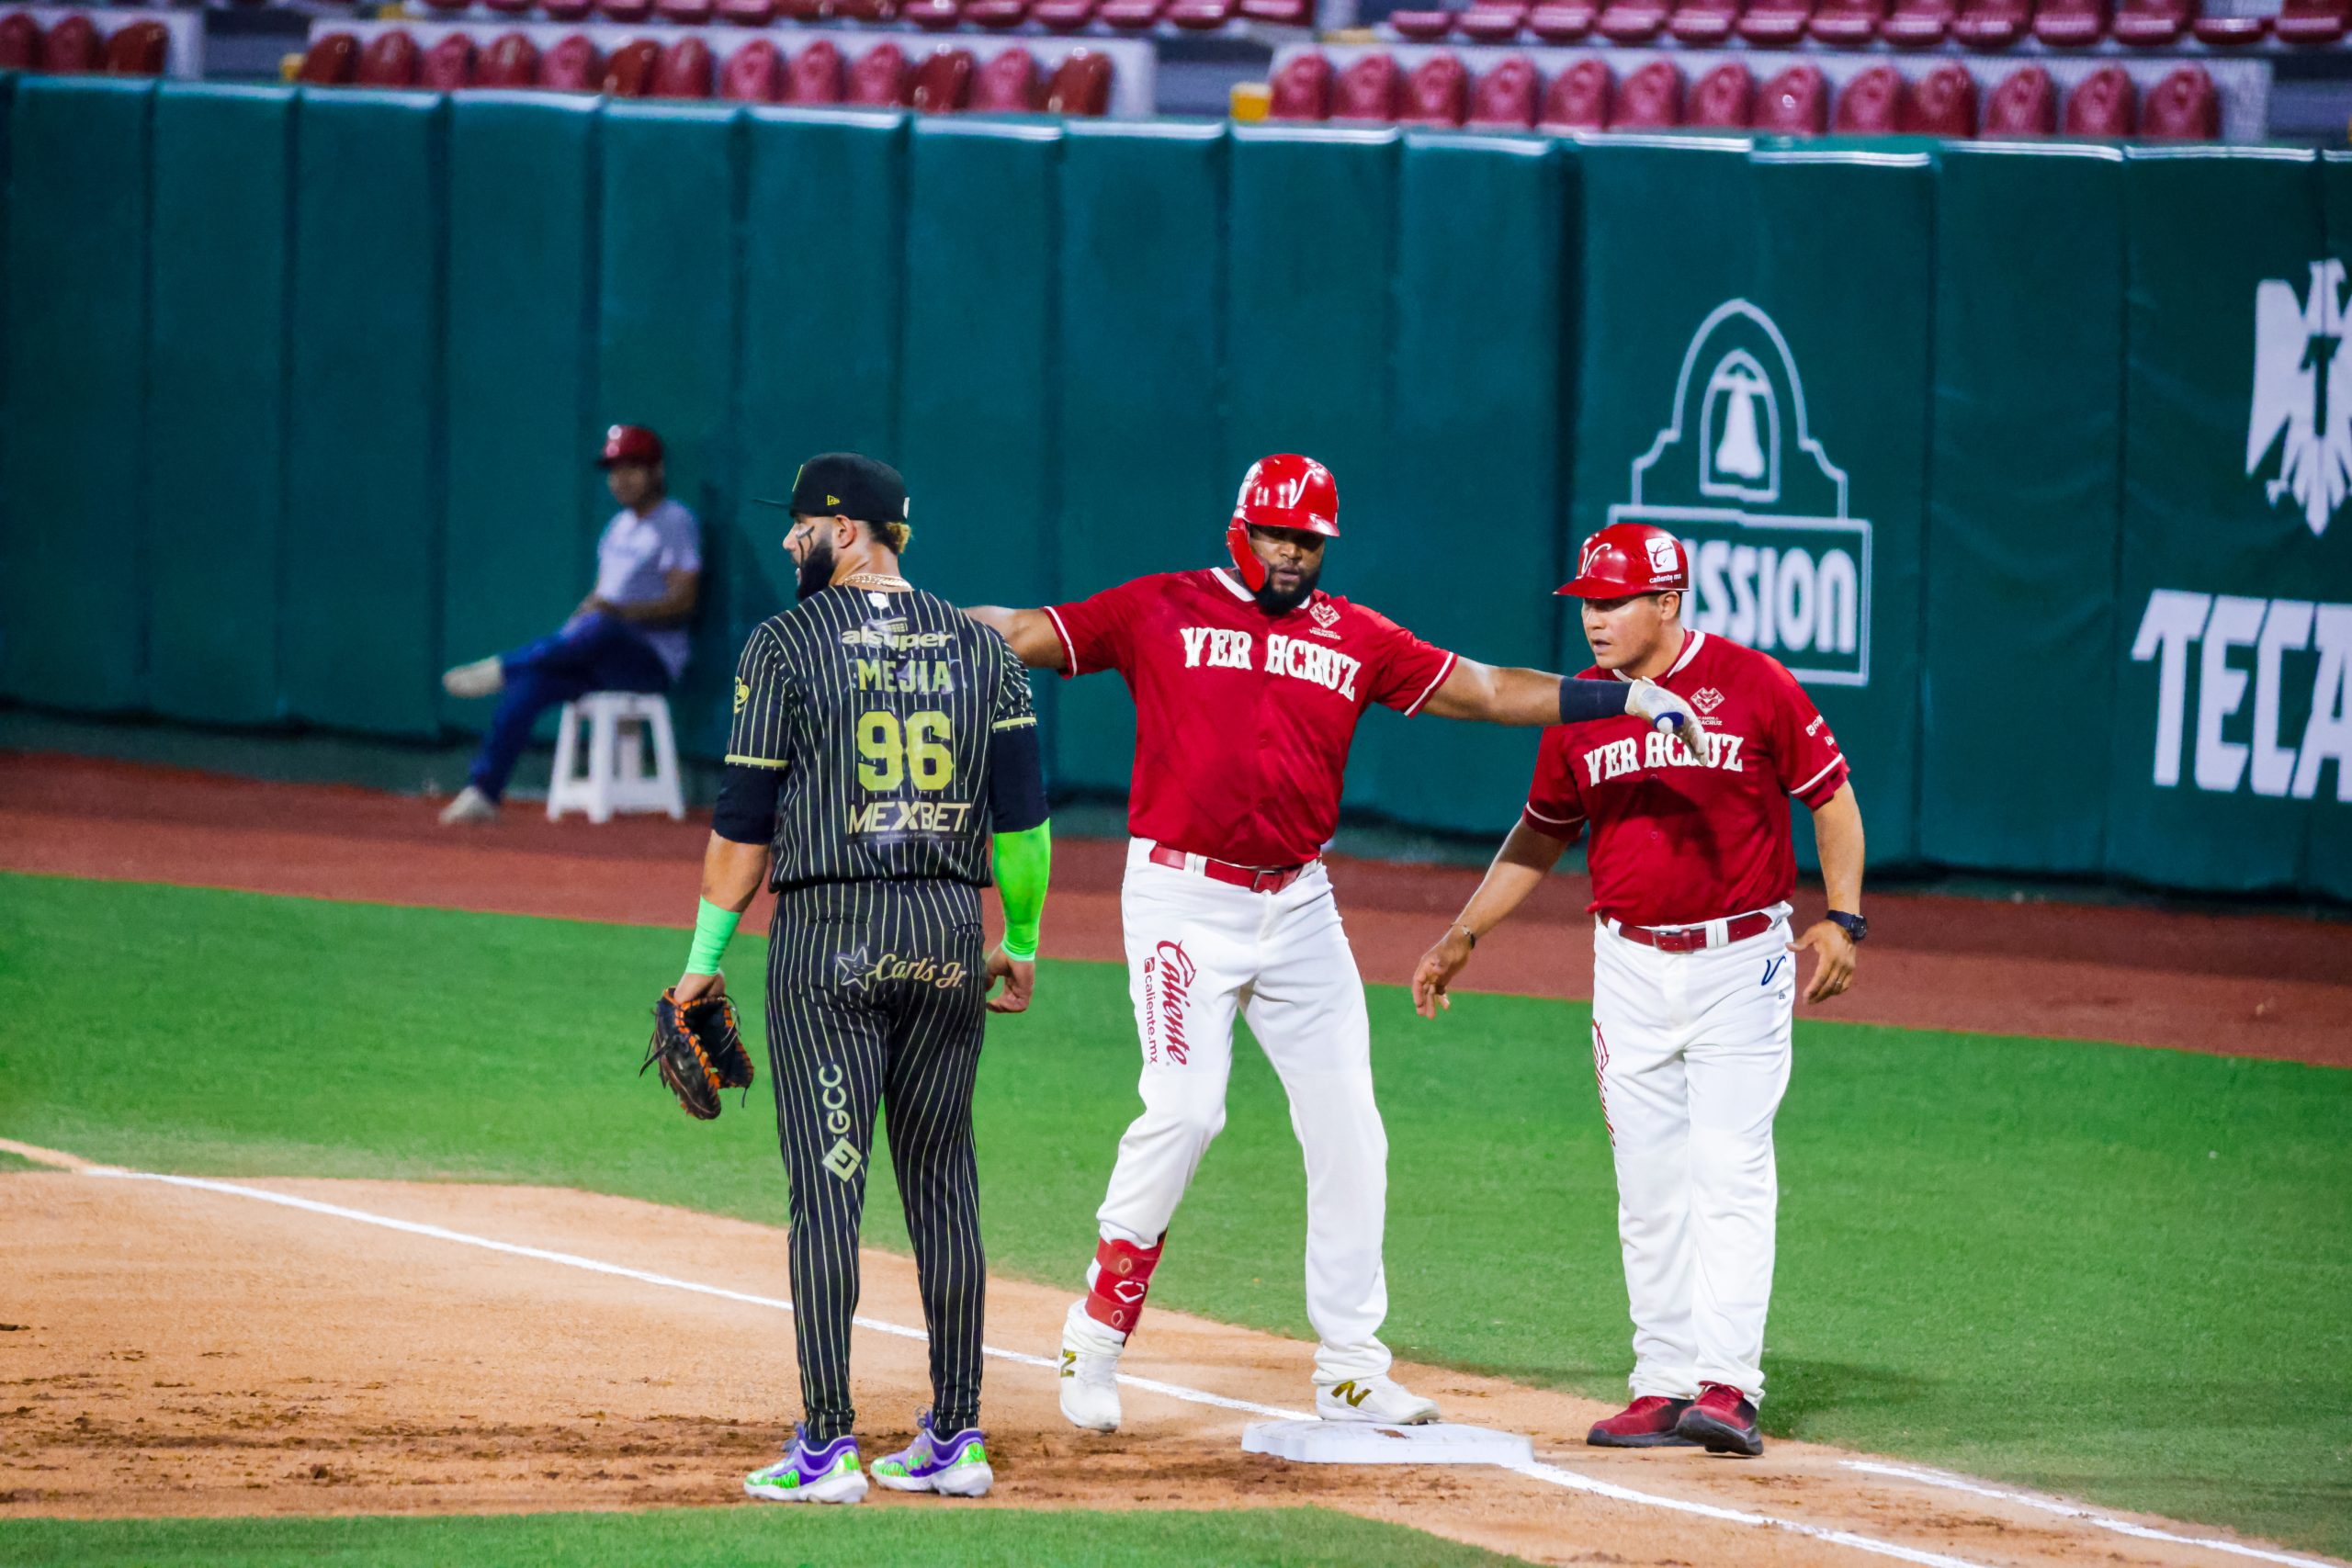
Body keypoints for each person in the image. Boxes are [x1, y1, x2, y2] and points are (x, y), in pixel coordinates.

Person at [964, 455, 1701, 1433]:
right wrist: (908, 618)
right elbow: (1022, 632)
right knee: (1184, 1112)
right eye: (1274, 534)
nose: (1290, 554)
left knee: (1352, 1130)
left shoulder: (1352, 634)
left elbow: (1481, 690)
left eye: (1306, 539)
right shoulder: (1162, 608)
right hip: (1184, 897)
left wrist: (1620, 698)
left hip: (1299, 906)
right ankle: (1097, 1330)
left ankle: (1352, 1367)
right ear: (1239, 528)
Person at [1408, 521, 1867, 1459]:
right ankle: (1662, 1383)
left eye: (1612, 602)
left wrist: (1844, 916)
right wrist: (1463, 934)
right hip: (1626, 963)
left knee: (1729, 1170)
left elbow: (1831, 795)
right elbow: (1539, 833)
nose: (1594, 620)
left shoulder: (1753, 684)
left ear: (1667, 602)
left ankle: (1730, 1386)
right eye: (1586, 604)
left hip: (1742, 960)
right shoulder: (1582, 708)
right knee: (1648, 1183)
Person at [672, 453, 1051, 1506]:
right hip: (943, 932)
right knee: (944, 1187)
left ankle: (828, 1448)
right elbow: (1023, 823)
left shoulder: (785, 644)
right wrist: (1017, 938)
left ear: (846, 530)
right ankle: (957, 1439)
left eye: (799, 525)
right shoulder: (985, 652)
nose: (787, 542)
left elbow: (742, 829)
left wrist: (700, 968)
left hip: (830, 935)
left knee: (828, 1192)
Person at [438, 423, 702, 825]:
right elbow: (597, 601)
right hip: (596, 656)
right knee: (531, 685)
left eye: (632, 468)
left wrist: (616, 612)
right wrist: (583, 624)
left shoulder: (675, 521)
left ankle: (506, 666)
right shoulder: (616, 529)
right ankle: (484, 792)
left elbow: (684, 603)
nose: (621, 479)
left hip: (649, 661)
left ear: (656, 471)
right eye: (614, 470)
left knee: (598, 628)